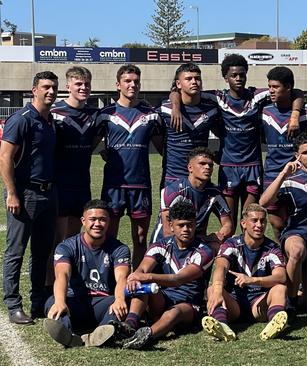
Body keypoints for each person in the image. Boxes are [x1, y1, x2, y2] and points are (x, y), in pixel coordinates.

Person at [170, 54, 304, 224]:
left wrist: (295, 115)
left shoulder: (258, 96)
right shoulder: (218, 98)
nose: (238, 78)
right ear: (226, 78)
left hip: (253, 167)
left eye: (242, 74)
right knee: (229, 223)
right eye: (233, 75)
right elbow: (176, 91)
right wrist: (175, 107)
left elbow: (296, 91)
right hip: (229, 167)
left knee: (249, 220)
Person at [0, 71, 59, 324]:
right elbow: (4, 157)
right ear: (34, 90)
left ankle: (37, 301)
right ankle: (13, 305)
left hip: (49, 194)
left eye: (54, 87)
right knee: (16, 251)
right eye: (45, 87)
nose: (51, 92)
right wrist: (12, 193)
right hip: (25, 194)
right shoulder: (21, 119)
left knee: (42, 251)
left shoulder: (50, 120)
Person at [120, 201, 215, 349]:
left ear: (195, 225)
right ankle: (129, 325)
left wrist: (147, 276)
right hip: (162, 299)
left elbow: (178, 279)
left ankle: (147, 336)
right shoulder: (161, 245)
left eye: (190, 225)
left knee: (174, 312)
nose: (186, 229)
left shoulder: (204, 251)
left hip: (189, 305)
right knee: (143, 285)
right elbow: (142, 270)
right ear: (171, 226)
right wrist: (135, 277)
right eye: (181, 225)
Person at [259, 133, 307, 316]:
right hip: (297, 234)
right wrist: (283, 174)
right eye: (306, 152)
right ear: (297, 156)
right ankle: (290, 304)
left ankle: (281, 295)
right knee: (296, 250)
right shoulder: (291, 180)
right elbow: (264, 202)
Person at [96, 64, 163, 268]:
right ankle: (109, 281)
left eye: (135, 81)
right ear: (118, 84)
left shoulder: (151, 115)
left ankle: (136, 280)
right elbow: (87, 144)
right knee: (109, 236)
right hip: (114, 185)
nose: (132, 85)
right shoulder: (105, 114)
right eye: (127, 81)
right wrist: (104, 151)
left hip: (141, 185)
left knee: (141, 238)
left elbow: (164, 149)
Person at [43, 199, 131, 348]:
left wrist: (119, 299)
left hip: (102, 303)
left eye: (102, 219)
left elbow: (122, 277)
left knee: (122, 303)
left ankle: (102, 334)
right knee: (52, 302)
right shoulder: (67, 246)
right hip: (74, 302)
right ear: (83, 221)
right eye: (93, 219)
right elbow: (62, 275)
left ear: (109, 222)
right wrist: (60, 301)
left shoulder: (119, 249)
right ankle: (67, 335)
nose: (97, 224)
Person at [203, 204, 288, 341]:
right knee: (213, 289)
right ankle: (222, 327)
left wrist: (252, 280)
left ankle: (274, 325)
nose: (259, 225)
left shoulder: (272, 247)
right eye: (254, 221)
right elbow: (220, 267)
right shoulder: (232, 244)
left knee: (280, 288)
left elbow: (281, 276)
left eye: (262, 221)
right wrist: (218, 289)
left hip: (259, 304)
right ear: (243, 223)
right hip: (234, 304)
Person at [262, 66, 307, 239]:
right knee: (276, 224)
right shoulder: (265, 110)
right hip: (272, 173)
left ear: (288, 88)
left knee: (299, 220)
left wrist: (295, 114)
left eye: (275, 87)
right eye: (269, 86)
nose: (271, 90)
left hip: (298, 174)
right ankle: (283, 260)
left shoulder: (306, 113)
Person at [51, 66, 102, 245]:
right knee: (57, 238)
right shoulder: (54, 112)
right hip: (60, 184)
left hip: (82, 184)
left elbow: (93, 143)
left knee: (73, 238)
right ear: (68, 87)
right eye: (78, 84)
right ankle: (53, 274)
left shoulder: (95, 114)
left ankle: (69, 273)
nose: (83, 87)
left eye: (87, 84)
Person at [150, 147, 234, 250]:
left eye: (210, 165)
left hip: (194, 242)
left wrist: (218, 236)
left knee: (218, 246)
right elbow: (168, 231)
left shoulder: (214, 193)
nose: (207, 167)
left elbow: (228, 225)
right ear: (190, 168)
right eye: (202, 164)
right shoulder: (173, 192)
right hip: (165, 244)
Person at [158, 63, 220, 189]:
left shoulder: (212, 109)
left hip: (200, 179)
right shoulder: (164, 110)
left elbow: (223, 134)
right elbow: (156, 139)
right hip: (172, 177)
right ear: (178, 84)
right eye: (188, 79)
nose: (194, 82)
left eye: (197, 78)